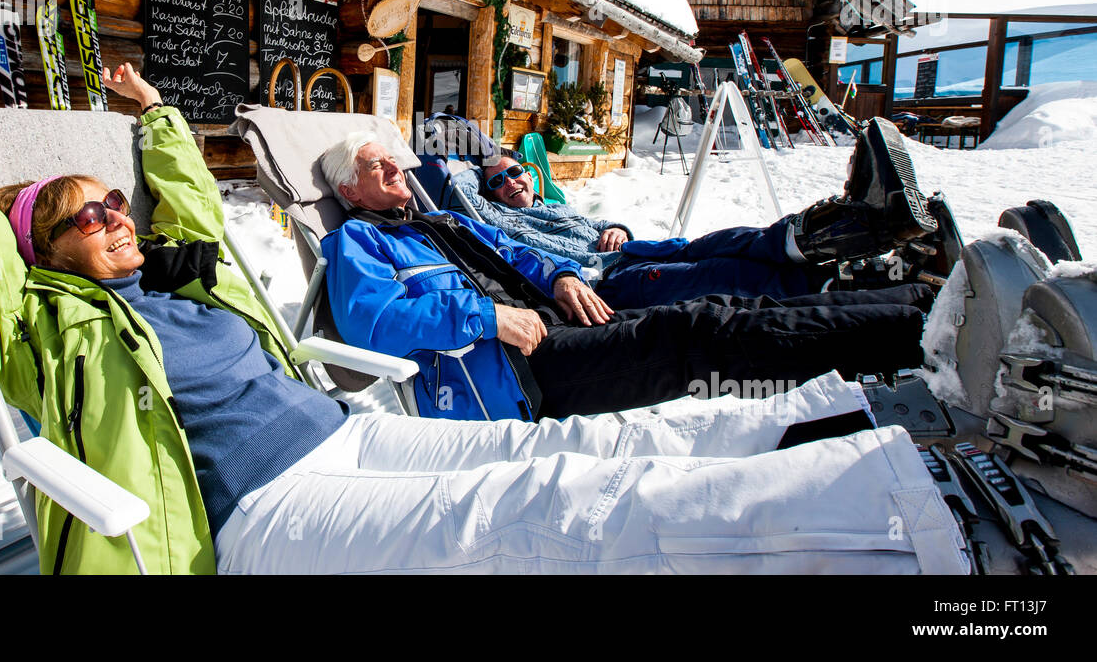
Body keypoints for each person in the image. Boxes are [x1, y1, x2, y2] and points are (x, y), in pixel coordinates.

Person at [0, 23, 966, 575]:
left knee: (571, 464)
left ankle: (886, 438)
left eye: (115, 206)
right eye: (83, 216)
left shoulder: (180, 278)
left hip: (344, 433)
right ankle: (918, 538)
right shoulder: (50, 317)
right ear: (39, 255)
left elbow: (184, 196)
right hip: (259, 513)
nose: (115, 219)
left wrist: (148, 117)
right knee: (539, 523)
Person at [320, 132, 932, 423]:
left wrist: (559, 275)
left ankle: (913, 298)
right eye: (379, 164)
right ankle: (916, 327)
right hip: (511, 370)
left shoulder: (443, 221)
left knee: (718, 301)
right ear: (350, 188)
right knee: (697, 333)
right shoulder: (356, 240)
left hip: (557, 317)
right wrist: (487, 317)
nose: (397, 166)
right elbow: (371, 325)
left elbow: (514, 251)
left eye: (394, 158)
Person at [472, 129, 934, 307]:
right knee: (720, 273)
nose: (511, 182)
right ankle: (866, 277)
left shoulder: (555, 204)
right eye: (498, 181)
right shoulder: (499, 221)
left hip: (633, 251)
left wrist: (616, 228)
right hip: (604, 282)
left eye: (515, 172)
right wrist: (470, 162)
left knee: (734, 238)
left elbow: (598, 228)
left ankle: (867, 227)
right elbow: (459, 192)